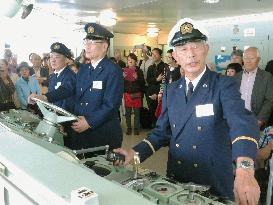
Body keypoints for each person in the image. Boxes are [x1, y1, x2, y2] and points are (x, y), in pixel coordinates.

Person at [114, 18, 260, 204]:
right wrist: (134, 153)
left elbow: (241, 123)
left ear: (206, 49)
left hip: (212, 182)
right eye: (183, 49)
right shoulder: (171, 90)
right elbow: (161, 133)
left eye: (196, 46)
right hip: (177, 181)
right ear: (175, 55)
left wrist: (245, 169)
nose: (191, 54)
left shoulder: (223, 85)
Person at [29, 23, 123, 152]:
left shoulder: (112, 70)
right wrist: (44, 97)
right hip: (81, 132)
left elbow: (111, 105)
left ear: (104, 46)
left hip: (102, 133)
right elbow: (68, 88)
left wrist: (89, 122)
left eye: (93, 42)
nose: (87, 46)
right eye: (86, 42)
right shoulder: (84, 69)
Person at [235, 47, 273, 129]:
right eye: (245, 58)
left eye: (252, 58)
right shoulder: (236, 77)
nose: (248, 61)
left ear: (258, 60)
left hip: (256, 120)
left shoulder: (266, 77)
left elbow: (269, 100)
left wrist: (259, 120)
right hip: (237, 120)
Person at [47, 42, 76, 112]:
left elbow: (67, 103)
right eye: (51, 57)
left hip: (63, 118)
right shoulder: (53, 76)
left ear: (67, 60)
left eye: (57, 57)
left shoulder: (70, 76)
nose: (53, 60)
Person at [123, 53, 145, 135]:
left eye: (132, 60)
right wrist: (122, 78)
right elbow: (120, 84)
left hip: (137, 94)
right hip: (127, 94)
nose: (130, 61)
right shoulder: (124, 70)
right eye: (128, 60)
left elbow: (143, 83)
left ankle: (136, 128)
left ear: (135, 61)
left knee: (137, 113)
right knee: (128, 113)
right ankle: (129, 128)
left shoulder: (139, 71)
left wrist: (137, 78)